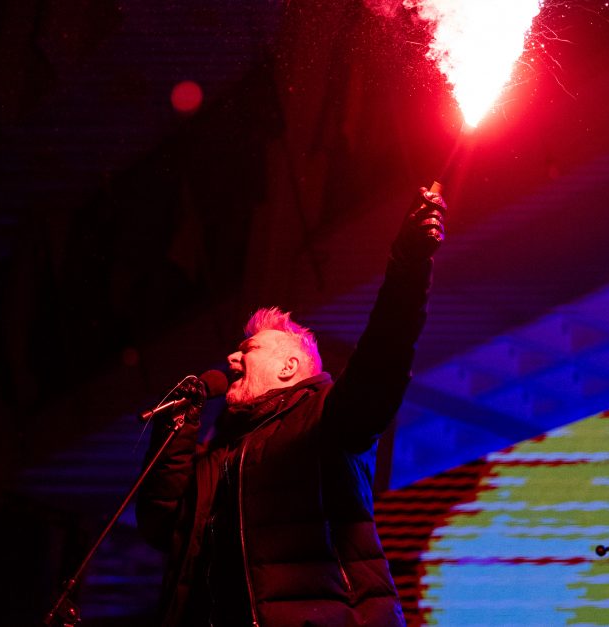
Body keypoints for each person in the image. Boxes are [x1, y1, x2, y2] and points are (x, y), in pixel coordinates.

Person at [137, 185, 447, 626]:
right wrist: (178, 427)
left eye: (248, 348)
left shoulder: (324, 419)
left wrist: (408, 264)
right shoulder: (218, 455)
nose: (231, 358)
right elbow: (160, 522)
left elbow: (382, 359)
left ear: (288, 367)